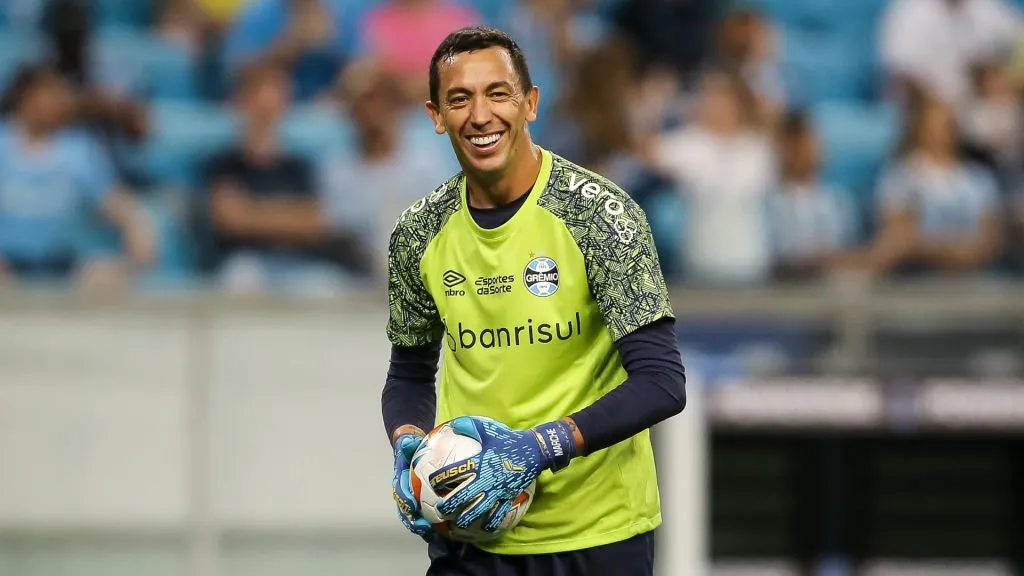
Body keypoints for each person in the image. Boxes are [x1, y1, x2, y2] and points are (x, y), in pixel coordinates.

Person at [381, 27, 686, 576]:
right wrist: (409, 445)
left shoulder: (601, 214)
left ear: (531, 103)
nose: (480, 115)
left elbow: (661, 384)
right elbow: (409, 371)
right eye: (459, 99)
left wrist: (540, 448)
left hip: (599, 538)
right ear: (435, 115)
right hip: (472, 536)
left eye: (498, 93)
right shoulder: (419, 233)